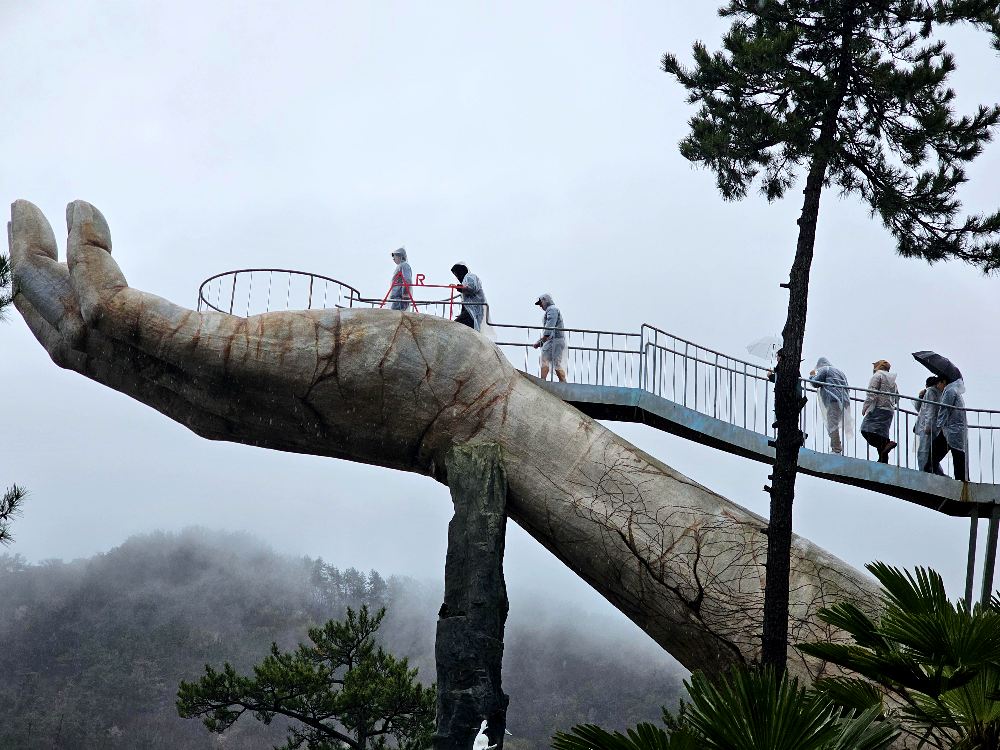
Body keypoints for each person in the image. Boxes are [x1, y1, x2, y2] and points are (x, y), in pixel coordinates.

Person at [808, 357, 851, 455]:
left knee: (832, 424)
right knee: (834, 423)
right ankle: (837, 447)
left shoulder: (825, 369)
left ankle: (836, 449)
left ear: (821, 365)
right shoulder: (840, 372)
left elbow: (815, 383)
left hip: (833, 400)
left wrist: (812, 376)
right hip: (844, 401)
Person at [860, 359, 899, 464]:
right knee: (882, 434)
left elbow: (871, 391)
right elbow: (897, 398)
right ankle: (883, 460)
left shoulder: (878, 376)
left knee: (866, 430)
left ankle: (886, 445)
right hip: (889, 411)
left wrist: (866, 406)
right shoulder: (892, 381)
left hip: (878, 408)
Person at [933, 376, 969, 480]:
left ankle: (933, 476)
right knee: (958, 456)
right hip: (954, 430)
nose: (937, 386)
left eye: (938, 383)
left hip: (950, 430)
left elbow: (944, 409)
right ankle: (962, 480)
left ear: (944, 381)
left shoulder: (949, 391)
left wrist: (939, 424)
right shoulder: (954, 390)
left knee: (934, 455)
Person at [912, 375, 944, 474]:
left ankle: (924, 472)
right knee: (932, 452)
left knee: (924, 451)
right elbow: (921, 408)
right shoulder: (940, 393)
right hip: (936, 427)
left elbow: (928, 409)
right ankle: (937, 472)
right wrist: (921, 397)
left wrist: (928, 426)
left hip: (928, 428)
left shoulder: (931, 392)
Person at [532, 294, 566, 382]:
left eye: (541, 303)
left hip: (554, 340)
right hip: (554, 340)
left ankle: (543, 381)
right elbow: (549, 329)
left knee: (545, 360)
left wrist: (544, 337)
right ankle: (563, 382)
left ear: (546, 301)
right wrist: (540, 342)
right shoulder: (551, 310)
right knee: (556, 363)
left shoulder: (552, 310)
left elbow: (550, 324)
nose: (540, 306)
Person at [450, 262, 487, 331]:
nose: (457, 277)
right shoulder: (465, 280)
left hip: (473, 311)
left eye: (456, 274)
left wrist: (458, 287)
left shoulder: (470, 277)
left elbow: (471, 288)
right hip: (470, 311)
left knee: (456, 327)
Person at [388, 247, 413, 311]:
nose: (393, 259)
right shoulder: (400, 266)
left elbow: (407, 280)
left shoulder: (404, 265)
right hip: (396, 296)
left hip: (400, 297)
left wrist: (405, 293)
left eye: (395, 257)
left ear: (400, 256)